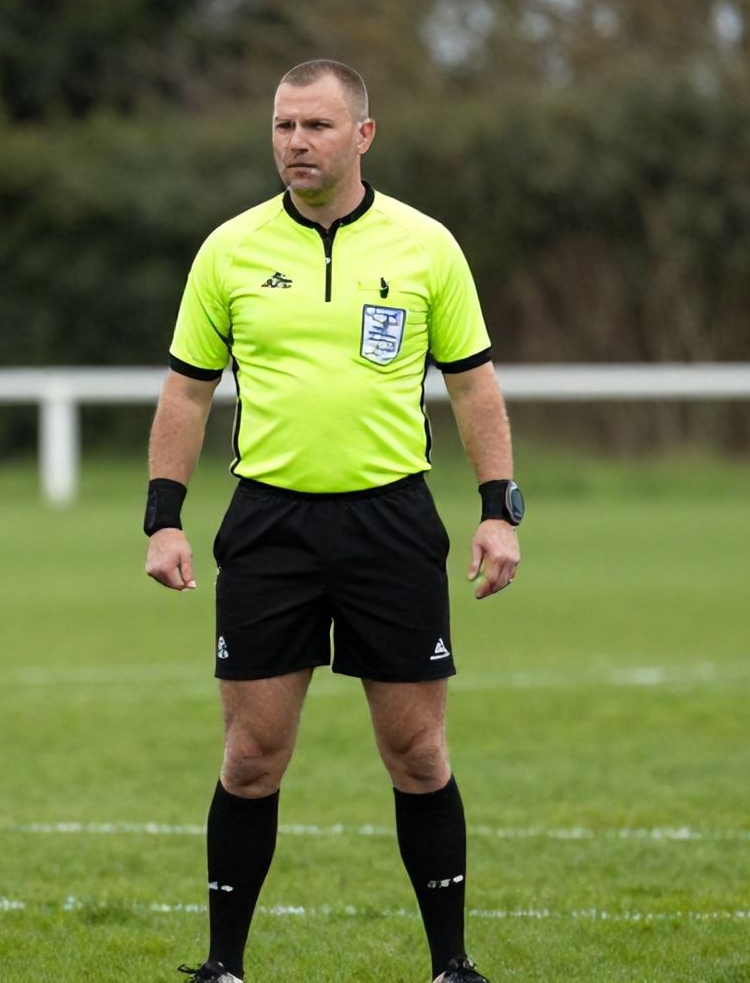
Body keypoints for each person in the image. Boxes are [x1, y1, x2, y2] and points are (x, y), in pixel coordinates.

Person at [146, 59, 523, 983]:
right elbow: (187, 395)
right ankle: (222, 968)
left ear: (363, 135)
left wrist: (497, 509)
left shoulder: (426, 245)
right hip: (269, 526)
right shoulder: (228, 249)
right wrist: (163, 519)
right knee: (251, 757)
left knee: (418, 751)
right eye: (282, 126)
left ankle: (452, 966)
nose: (295, 143)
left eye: (315, 126)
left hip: (391, 523)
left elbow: (473, 384)